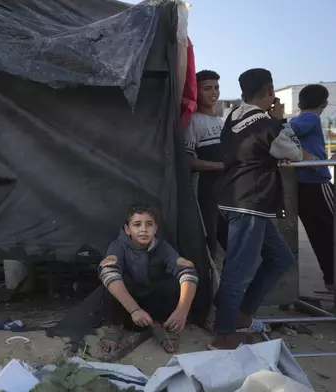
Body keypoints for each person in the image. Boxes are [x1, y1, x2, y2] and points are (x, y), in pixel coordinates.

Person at [212, 68, 304, 349]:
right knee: (238, 270)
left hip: (236, 201)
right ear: (269, 92)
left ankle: (241, 315)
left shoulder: (233, 117)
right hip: (250, 205)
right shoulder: (267, 124)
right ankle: (224, 334)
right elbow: (295, 152)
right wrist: (280, 122)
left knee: (281, 258)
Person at [98, 203, 198, 356]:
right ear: (127, 229)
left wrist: (182, 310)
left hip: (151, 297)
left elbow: (187, 270)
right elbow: (108, 271)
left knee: (172, 283)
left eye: (149, 224)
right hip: (128, 300)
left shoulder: (162, 247)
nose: (143, 229)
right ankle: (116, 326)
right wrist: (134, 309)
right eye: (137, 224)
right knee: (113, 282)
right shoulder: (118, 246)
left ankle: (159, 324)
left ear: (156, 228)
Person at [290, 84, 334, 292]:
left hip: (301, 186)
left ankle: (330, 280)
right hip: (317, 184)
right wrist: (307, 156)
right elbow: (289, 133)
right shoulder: (311, 118)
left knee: (318, 235)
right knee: (330, 233)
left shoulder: (295, 119)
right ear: (323, 104)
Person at [184, 70, 228, 257]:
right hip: (204, 194)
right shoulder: (191, 122)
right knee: (207, 247)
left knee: (234, 247)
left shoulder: (223, 121)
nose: (214, 93)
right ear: (196, 91)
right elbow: (188, 161)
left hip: (226, 195)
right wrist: (221, 167)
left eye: (216, 88)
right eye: (207, 88)